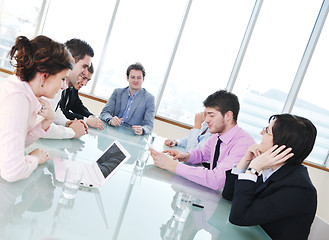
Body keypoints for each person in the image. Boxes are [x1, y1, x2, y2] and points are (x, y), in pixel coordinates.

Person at [222, 114, 317, 240]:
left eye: (267, 131)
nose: (261, 133)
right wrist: (245, 161)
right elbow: (229, 195)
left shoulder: (297, 188)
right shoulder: (275, 171)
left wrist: (253, 170)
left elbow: (238, 217)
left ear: (282, 145)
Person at [0, 35, 73, 182]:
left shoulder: (21, 90)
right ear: (44, 76)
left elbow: (18, 144)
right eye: (62, 78)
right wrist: (34, 158)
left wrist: (48, 120)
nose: (63, 86)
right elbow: (12, 171)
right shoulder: (18, 99)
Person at [150, 90, 255, 190]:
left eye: (211, 115)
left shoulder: (244, 144)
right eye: (206, 115)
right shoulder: (217, 137)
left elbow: (216, 179)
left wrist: (171, 165)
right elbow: (201, 153)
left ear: (228, 115)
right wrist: (186, 156)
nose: (206, 120)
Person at [43, 38, 95, 139]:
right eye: (84, 66)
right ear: (71, 59)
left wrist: (67, 123)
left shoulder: (63, 83)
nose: (85, 72)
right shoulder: (50, 80)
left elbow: (54, 110)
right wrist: (72, 132)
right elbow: (40, 125)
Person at [100, 62, 155, 135]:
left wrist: (142, 130)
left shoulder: (149, 99)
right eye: (132, 77)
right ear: (127, 78)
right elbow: (105, 113)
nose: (135, 80)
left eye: (139, 78)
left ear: (143, 79)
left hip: (132, 137)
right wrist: (111, 120)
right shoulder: (117, 92)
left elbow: (149, 126)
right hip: (113, 133)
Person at [59, 63, 104, 130]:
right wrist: (85, 120)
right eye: (83, 78)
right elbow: (60, 111)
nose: (85, 83)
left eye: (88, 80)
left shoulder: (73, 88)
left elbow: (78, 106)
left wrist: (91, 116)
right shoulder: (59, 85)